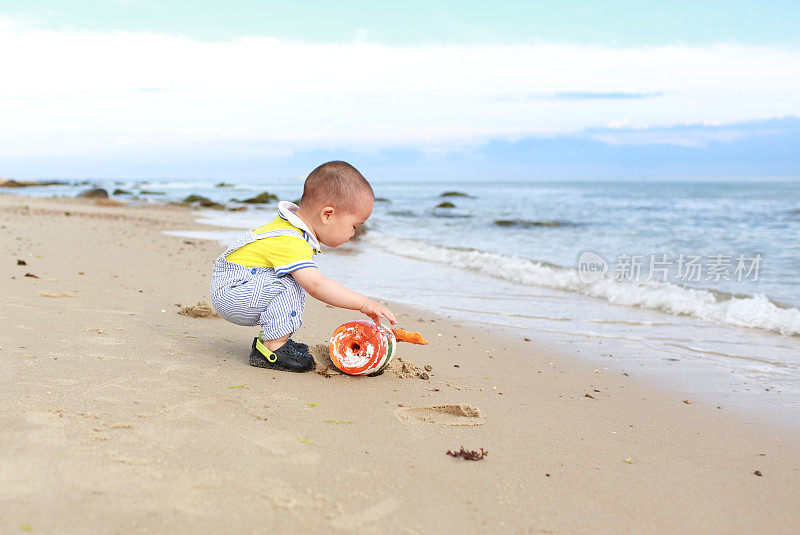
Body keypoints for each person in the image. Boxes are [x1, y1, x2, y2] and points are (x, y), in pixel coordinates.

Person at [210, 161, 397, 372]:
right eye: (354, 226)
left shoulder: (292, 229)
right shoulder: (291, 240)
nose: (353, 234)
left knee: (291, 280)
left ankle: (275, 338)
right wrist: (363, 303)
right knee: (294, 283)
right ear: (327, 214)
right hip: (233, 294)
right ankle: (273, 349)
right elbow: (316, 285)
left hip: (240, 288)